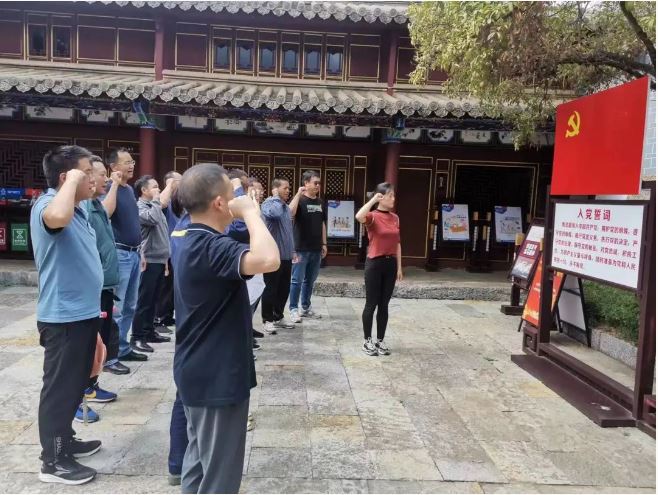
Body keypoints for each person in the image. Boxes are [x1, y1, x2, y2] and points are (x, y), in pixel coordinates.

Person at [172, 163, 279, 493]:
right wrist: (251, 212)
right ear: (220, 203)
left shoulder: (187, 236)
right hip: (216, 375)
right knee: (220, 478)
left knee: (198, 463)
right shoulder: (211, 246)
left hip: (198, 368)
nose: (239, 198)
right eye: (234, 194)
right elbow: (269, 260)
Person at [30, 145, 103, 485]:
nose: (92, 179)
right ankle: (53, 461)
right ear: (66, 177)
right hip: (63, 318)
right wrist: (73, 181)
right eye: (87, 173)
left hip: (82, 314)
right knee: (60, 389)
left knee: (75, 383)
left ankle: (66, 440)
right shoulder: (49, 205)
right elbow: (56, 219)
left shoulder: (78, 208)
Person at [75, 156, 122, 424]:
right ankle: (80, 393)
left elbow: (109, 210)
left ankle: (91, 386)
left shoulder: (95, 205)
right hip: (93, 287)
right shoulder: (80, 208)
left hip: (104, 284)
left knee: (100, 339)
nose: (106, 178)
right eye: (102, 174)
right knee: (87, 343)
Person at [105, 148, 147, 365]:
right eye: (126, 162)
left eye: (132, 161)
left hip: (134, 252)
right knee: (117, 308)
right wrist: (113, 184)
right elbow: (107, 213)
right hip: (120, 254)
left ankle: (122, 348)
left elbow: (134, 223)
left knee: (131, 305)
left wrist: (141, 252)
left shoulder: (129, 190)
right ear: (113, 167)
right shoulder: (107, 189)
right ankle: (110, 356)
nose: (131, 165)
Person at [354, 183, 403, 356]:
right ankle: (367, 341)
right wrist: (373, 200)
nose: (393, 199)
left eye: (394, 195)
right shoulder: (372, 216)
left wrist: (399, 266)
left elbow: (397, 243)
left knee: (384, 304)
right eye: (390, 195)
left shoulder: (395, 218)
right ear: (381, 197)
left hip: (390, 265)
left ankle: (380, 341)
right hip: (374, 264)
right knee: (371, 303)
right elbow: (358, 216)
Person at [130, 175, 177, 353]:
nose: (158, 190)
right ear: (144, 190)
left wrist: (165, 260)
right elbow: (152, 219)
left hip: (159, 259)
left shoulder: (154, 206)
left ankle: (149, 331)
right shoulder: (140, 207)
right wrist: (157, 201)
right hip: (148, 260)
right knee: (144, 300)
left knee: (153, 299)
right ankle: (137, 336)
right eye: (155, 187)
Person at [288, 170, 327, 323]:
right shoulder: (300, 200)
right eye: (315, 183)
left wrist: (324, 243)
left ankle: (305, 307)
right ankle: (293, 309)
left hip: (316, 248)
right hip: (300, 249)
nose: (318, 185)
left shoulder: (320, 202)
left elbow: (322, 223)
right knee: (296, 280)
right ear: (306, 183)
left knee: (310, 280)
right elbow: (290, 213)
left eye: (319, 183)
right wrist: (298, 194)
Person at [261, 178, 296, 334]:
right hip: (273, 256)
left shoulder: (286, 207)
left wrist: (293, 250)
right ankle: (267, 319)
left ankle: (278, 316)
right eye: (285, 188)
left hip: (286, 255)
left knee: (284, 289)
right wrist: (276, 198)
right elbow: (274, 214)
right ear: (275, 189)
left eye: (289, 188)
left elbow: (288, 231)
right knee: (271, 288)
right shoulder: (268, 204)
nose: (288, 190)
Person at [154, 170, 183, 332]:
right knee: (164, 287)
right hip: (165, 249)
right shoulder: (165, 200)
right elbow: (161, 203)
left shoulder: (178, 201)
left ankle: (167, 315)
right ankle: (159, 319)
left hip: (177, 249)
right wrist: (170, 185)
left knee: (172, 286)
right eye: (179, 180)